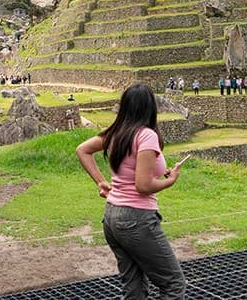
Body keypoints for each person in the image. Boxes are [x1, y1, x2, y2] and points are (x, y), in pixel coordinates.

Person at [76, 84, 186, 299]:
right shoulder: (146, 136)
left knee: (133, 287)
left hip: (112, 217)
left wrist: (101, 182)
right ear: (150, 108)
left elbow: (83, 150)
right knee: (174, 284)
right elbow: (143, 186)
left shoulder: (116, 132)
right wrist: (170, 180)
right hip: (137, 219)